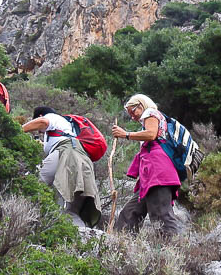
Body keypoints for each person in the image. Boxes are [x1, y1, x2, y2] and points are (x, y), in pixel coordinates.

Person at [111, 94, 182, 235]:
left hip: (158, 172)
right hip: (152, 175)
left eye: (133, 111)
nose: (133, 117)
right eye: (130, 114)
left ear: (141, 105)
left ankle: (173, 245)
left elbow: (151, 134)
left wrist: (126, 134)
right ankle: (120, 240)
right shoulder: (155, 118)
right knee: (132, 212)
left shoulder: (150, 113)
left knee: (162, 214)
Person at [22, 106, 101, 228]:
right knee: (71, 210)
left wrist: (17, 130)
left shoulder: (52, 117)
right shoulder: (67, 128)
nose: (40, 132)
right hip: (82, 161)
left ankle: (27, 219)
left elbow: (43, 122)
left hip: (67, 154)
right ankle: (81, 236)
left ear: (40, 116)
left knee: (34, 182)